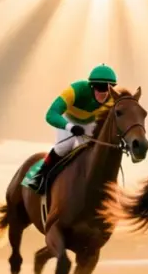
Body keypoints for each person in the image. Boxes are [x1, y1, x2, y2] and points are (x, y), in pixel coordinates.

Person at [23, 64, 118, 193]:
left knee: (95, 152)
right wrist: (70, 127)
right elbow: (51, 114)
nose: (103, 93)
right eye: (99, 88)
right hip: (69, 120)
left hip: (90, 123)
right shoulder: (75, 90)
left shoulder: (112, 98)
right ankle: (39, 176)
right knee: (65, 146)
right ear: (91, 86)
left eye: (107, 88)